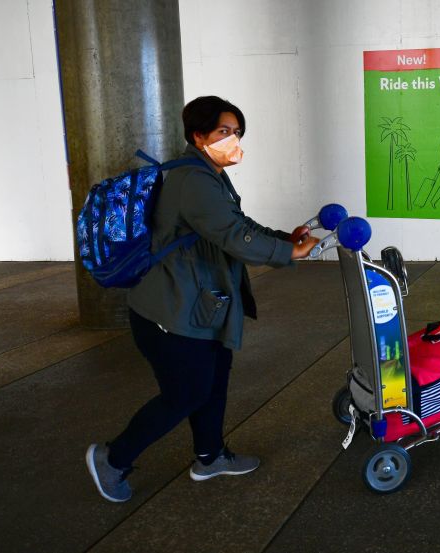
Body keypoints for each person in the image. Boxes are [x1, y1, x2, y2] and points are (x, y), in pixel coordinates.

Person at [85, 96, 319, 503]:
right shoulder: (193, 180)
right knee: (186, 394)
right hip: (172, 313)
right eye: (224, 132)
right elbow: (233, 237)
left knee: (213, 383)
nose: (234, 140)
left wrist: (283, 239)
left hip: (201, 305)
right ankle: (112, 458)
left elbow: (236, 223)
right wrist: (287, 254)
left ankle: (210, 457)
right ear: (199, 135)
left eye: (237, 132)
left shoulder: (208, 173)